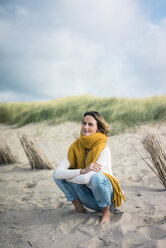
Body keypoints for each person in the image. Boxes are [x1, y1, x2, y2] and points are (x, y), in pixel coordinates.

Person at [53, 111, 126, 224]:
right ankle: (79, 208)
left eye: (90, 124)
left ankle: (106, 213)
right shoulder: (75, 147)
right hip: (90, 199)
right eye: (84, 123)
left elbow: (86, 179)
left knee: (97, 177)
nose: (85, 127)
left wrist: (68, 175)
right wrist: (83, 170)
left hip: (108, 200)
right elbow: (57, 174)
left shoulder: (104, 150)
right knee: (56, 175)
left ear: (99, 129)